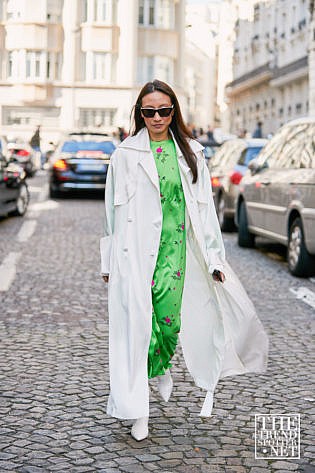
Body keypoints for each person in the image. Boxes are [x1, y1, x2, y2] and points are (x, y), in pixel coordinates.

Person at [100, 80, 268, 442]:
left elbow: (205, 211)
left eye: (164, 110)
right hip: (134, 254)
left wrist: (215, 258)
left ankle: (159, 367)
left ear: (174, 111)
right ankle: (138, 410)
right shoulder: (125, 155)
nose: (157, 117)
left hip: (178, 252)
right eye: (149, 111)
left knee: (167, 321)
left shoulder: (192, 152)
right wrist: (108, 263)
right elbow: (111, 214)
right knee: (136, 329)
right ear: (140, 114)